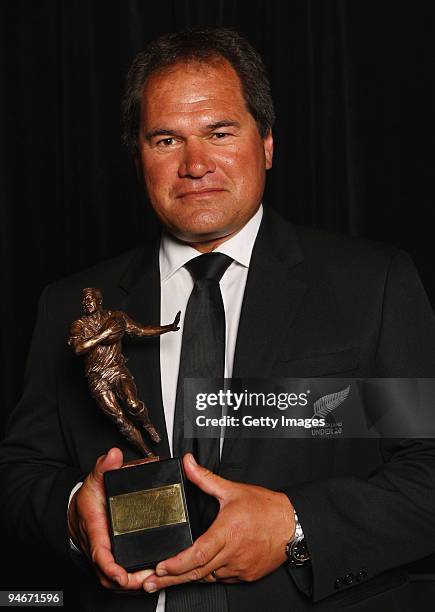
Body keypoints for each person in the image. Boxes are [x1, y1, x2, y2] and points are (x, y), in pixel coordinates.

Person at [1, 27, 435, 612]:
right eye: (165, 140)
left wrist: (296, 525)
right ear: (138, 159)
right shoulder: (68, 302)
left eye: (220, 132)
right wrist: (74, 510)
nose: (195, 164)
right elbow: (22, 473)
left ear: (268, 145)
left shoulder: (371, 285)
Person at [68, 287, 180, 457]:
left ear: (99, 301)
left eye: (89, 299)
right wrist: (104, 334)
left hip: (116, 370)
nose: (86, 303)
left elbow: (141, 330)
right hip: (96, 377)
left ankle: (147, 424)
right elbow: (78, 348)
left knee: (133, 404)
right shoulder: (79, 325)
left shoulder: (116, 317)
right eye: (83, 300)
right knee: (120, 419)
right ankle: (148, 454)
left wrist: (168, 327)